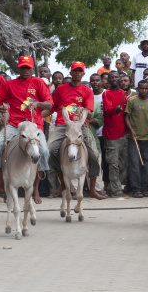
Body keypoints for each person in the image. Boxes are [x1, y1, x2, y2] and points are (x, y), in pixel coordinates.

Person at [0, 56, 52, 204]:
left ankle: (35, 187)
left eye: (28, 68)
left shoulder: (39, 82)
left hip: (34, 126)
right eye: (22, 67)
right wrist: (0, 107)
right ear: (18, 68)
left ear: (32, 69)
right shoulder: (9, 84)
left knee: (45, 151)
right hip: (15, 124)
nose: (25, 71)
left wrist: (37, 104)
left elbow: (49, 104)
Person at [44, 61, 106, 200]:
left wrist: (83, 111)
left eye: (80, 71)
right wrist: (36, 115)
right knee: (49, 150)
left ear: (83, 73)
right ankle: (63, 184)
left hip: (80, 126)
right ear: (70, 73)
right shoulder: (60, 89)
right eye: (75, 70)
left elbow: (89, 114)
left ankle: (92, 189)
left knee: (94, 154)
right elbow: (52, 108)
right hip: (62, 125)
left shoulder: (87, 90)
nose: (77, 73)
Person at [125, 80, 148, 198]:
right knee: (135, 163)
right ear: (137, 88)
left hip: (147, 137)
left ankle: (146, 188)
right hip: (133, 138)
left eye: (146, 89)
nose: (144, 91)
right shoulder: (132, 100)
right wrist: (131, 130)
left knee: (147, 164)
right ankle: (136, 189)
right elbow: (126, 117)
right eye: (141, 88)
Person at [102, 71, 129, 198]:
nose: (114, 79)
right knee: (113, 164)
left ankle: (116, 186)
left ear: (119, 79)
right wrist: (115, 110)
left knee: (124, 163)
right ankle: (116, 190)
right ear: (108, 80)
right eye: (111, 78)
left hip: (123, 133)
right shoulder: (106, 93)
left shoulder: (124, 94)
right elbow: (107, 110)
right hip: (111, 134)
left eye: (116, 77)